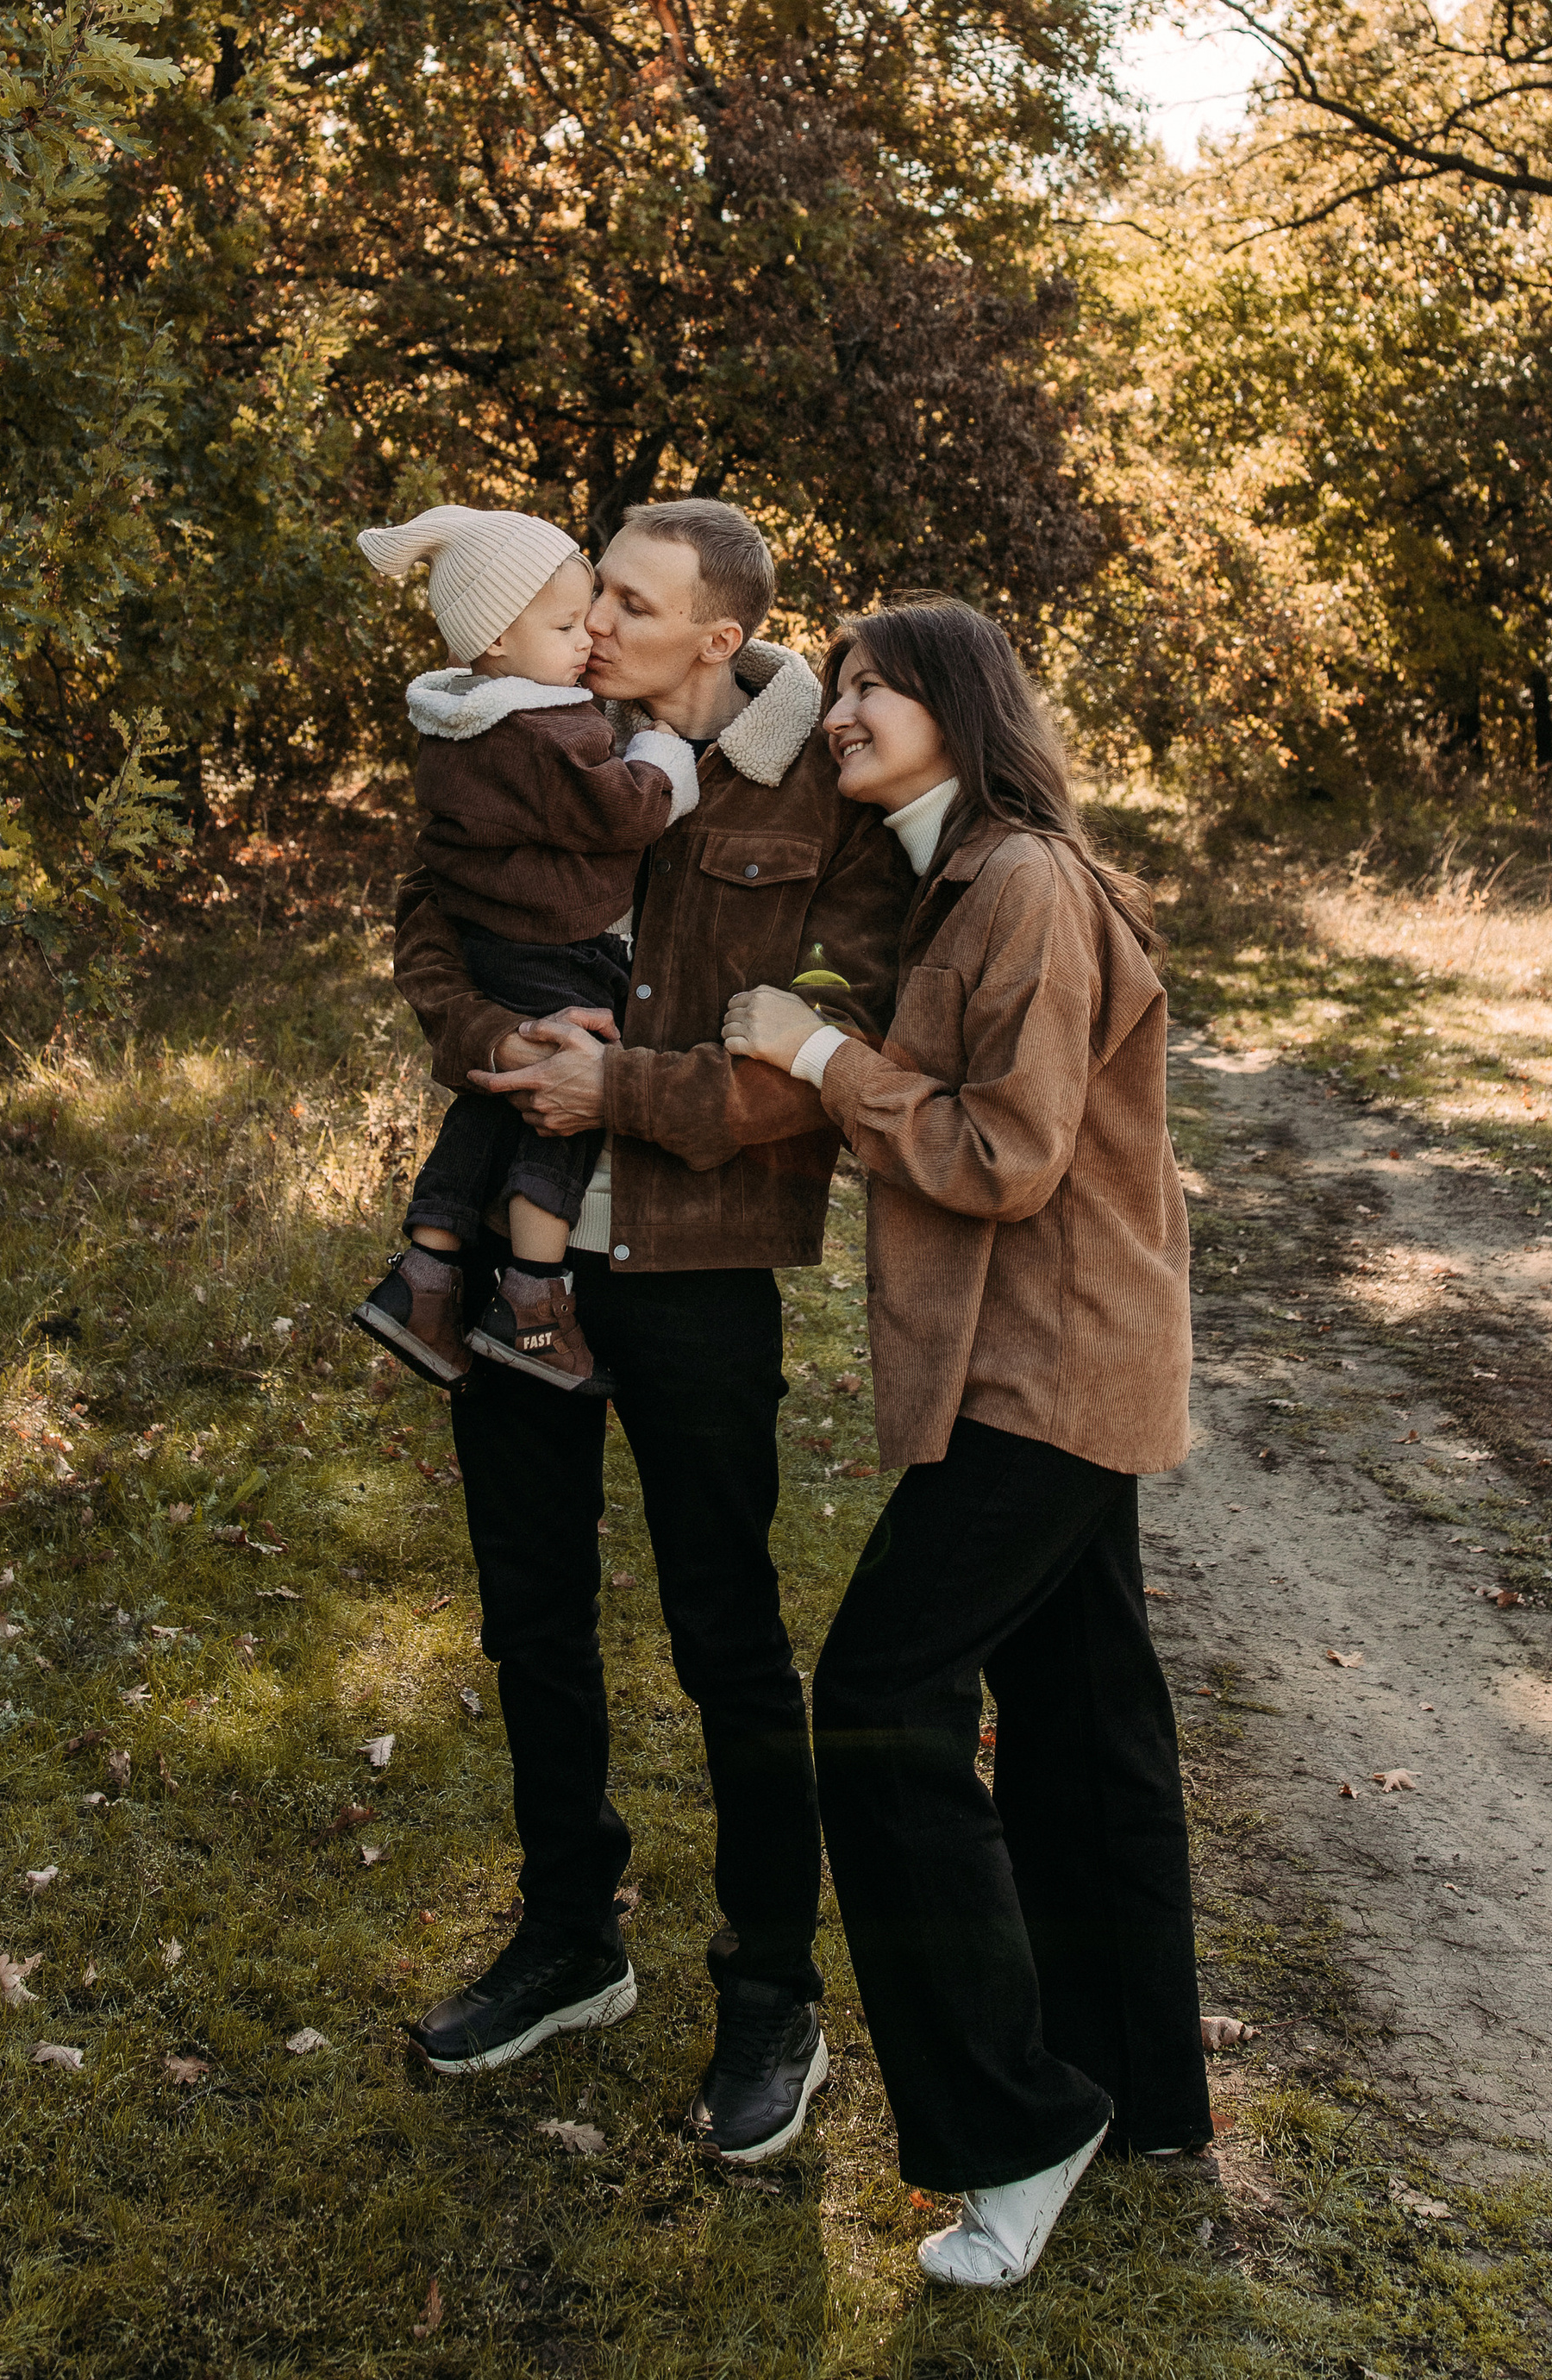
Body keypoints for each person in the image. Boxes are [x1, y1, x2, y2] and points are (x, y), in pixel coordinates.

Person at [386, 499, 911, 2162]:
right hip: (509, 1256)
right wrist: (495, 1043)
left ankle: (772, 1992)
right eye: (588, 587)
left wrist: (647, 1092)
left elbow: (876, 1021)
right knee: (530, 1618)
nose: (588, 615)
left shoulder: (805, 783)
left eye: (628, 599)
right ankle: (568, 1940)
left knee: (727, 1637)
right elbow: (424, 913)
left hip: (695, 1262)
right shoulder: (530, 727)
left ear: (720, 634)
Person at [723, 598, 1210, 2286]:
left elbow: (1002, 1157)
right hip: (1056, 1364)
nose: (845, 709)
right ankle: (1145, 2093)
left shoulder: (1017, 885)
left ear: (965, 707)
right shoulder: (948, 879)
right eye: (837, 685)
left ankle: (1014, 2120)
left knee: (874, 1700)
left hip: (1049, 1375)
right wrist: (775, 706)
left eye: (879, 687)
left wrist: (819, 1056)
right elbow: (797, 834)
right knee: (1084, 1729)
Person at [348, 506, 697, 1395]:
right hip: (558, 951)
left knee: (492, 1106)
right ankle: (533, 1304)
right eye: (569, 623)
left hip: (492, 950)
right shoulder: (547, 730)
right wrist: (659, 754)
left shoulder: (460, 721)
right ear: (499, 637)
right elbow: (626, 811)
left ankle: (425, 1274)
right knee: (562, 1103)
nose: (590, 638)